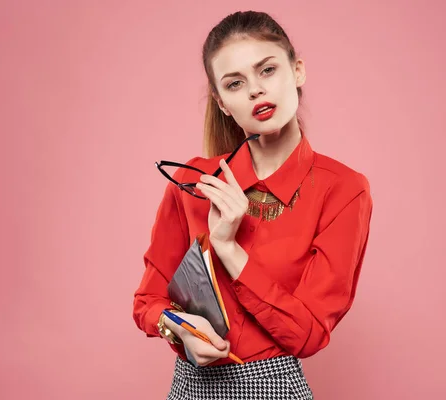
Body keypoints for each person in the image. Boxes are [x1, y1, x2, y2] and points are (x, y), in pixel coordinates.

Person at [132, 10, 373, 400]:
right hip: (189, 387)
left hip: (273, 387)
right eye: (235, 83)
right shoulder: (194, 182)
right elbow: (148, 301)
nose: (255, 91)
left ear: (297, 72)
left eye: (267, 70)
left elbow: (307, 334)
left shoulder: (343, 190)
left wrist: (227, 247)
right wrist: (180, 330)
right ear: (222, 103)